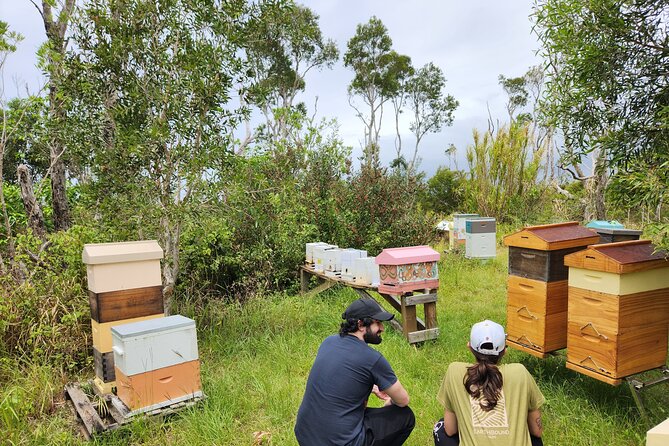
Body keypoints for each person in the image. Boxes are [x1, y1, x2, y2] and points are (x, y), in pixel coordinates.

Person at [295, 298, 415, 446]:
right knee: (406, 416)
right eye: (377, 323)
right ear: (360, 325)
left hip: (305, 435)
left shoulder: (328, 341)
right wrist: (390, 401)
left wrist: (365, 387)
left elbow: (336, 375)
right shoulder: (373, 359)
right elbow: (403, 400)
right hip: (340, 443)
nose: (382, 328)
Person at [433, 320, 544, 446]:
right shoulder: (520, 372)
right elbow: (537, 431)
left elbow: (450, 429)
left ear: (469, 347)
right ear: (504, 351)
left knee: (440, 428)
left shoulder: (455, 372)